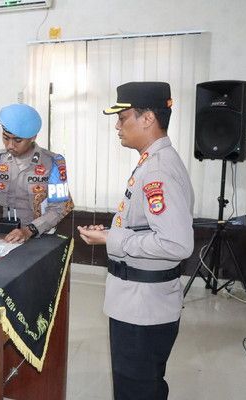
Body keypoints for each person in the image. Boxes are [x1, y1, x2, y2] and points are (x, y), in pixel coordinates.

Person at [77, 82, 194, 400]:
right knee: (145, 387)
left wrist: (114, 239)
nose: (117, 126)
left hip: (142, 308)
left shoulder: (157, 170)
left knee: (136, 390)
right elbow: (145, 226)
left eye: (123, 117)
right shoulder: (154, 161)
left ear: (148, 118)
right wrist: (111, 234)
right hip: (142, 303)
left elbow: (177, 244)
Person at [0, 103, 73, 243]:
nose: (10, 145)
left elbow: (58, 209)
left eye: (17, 140)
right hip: (5, 236)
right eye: (5, 137)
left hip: (40, 236)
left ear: (33, 137)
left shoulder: (53, 163)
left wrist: (28, 230)